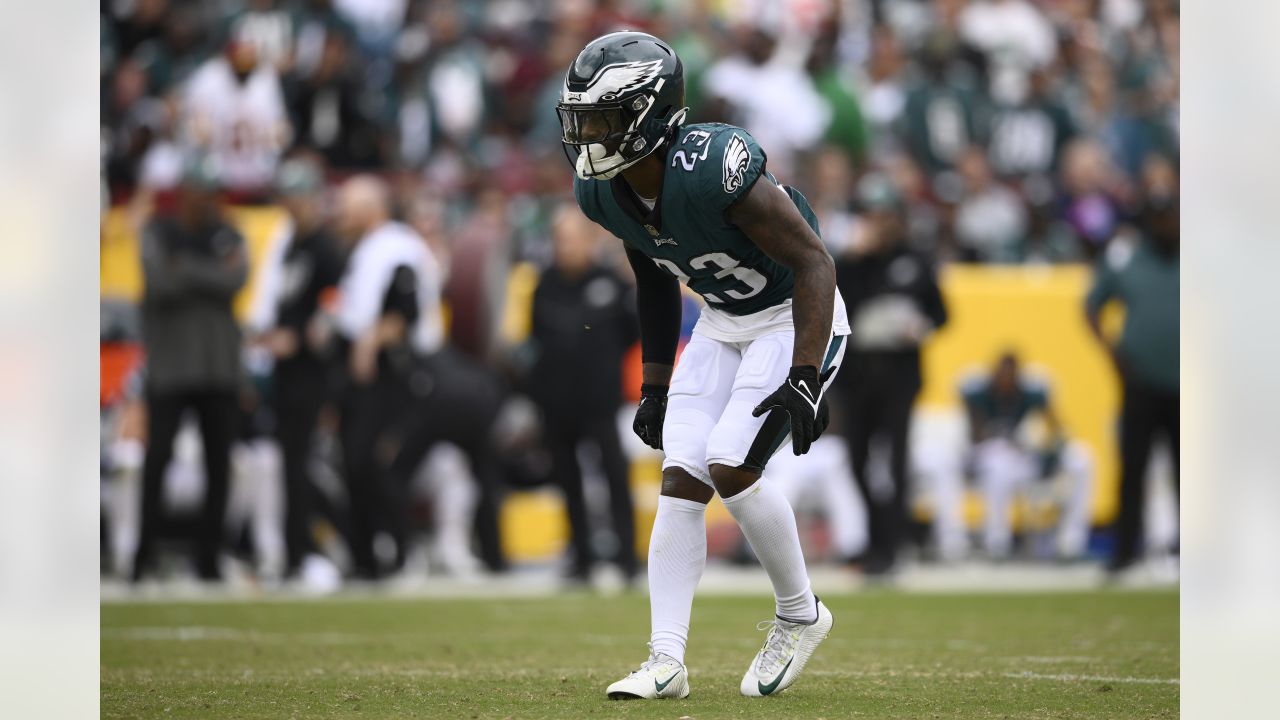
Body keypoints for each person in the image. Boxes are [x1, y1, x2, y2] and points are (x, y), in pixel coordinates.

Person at [557, 31, 852, 700]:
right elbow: (655, 276)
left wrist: (805, 374)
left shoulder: (714, 164)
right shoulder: (601, 193)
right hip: (724, 322)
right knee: (682, 473)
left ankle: (800, 613)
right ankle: (667, 661)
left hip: (792, 315)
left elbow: (815, 262)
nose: (587, 135)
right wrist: (656, 386)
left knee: (729, 462)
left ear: (648, 116)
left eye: (602, 119)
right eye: (583, 119)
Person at [132, 160, 248, 581]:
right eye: (202, 191)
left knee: (219, 466)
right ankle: (143, 555)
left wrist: (188, 270)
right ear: (184, 192)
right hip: (171, 366)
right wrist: (209, 275)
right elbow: (159, 281)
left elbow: (236, 279)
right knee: (156, 461)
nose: (209, 200)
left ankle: (209, 558)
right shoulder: (159, 231)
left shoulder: (228, 231)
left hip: (219, 368)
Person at [832, 174, 947, 576]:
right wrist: (854, 260)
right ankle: (880, 533)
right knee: (857, 461)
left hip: (899, 374)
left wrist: (920, 327)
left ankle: (891, 548)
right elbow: (837, 308)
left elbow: (942, 313)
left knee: (896, 461)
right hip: (859, 374)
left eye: (883, 216)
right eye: (870, 216)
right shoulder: (850, 263)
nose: (877, 224)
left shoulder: (915, 259)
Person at [331, 175, 444, 579]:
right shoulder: (366, 247)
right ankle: (367, 558)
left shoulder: (394, 246)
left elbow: (405, 308)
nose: (339, 212)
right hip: (372, 375)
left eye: (347, 204)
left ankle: (400, 551)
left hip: (399, 373)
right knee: (356, 464)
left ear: (371, 207)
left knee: (381, 463)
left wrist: (370, 340)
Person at [247, 156, 347, 580]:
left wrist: (305, 335)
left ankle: (317, 549)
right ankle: (293, 551)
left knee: (308, 465)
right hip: (288, 373)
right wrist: (271, 336)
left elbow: (337, 302)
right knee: (289, 463)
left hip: (315, 374)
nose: (292, 206)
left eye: (298, 197)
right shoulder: (290, 245)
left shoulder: (325, 248)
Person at [529, 204, 640, 584]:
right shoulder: (544, 283)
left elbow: (633, 332)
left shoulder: (611, 282)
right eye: (560, 240)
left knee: (614, 476)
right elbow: (535, 337)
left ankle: (627, 558)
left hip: (600, 401)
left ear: (591, 242)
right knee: (567, 481)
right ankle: (581, 558)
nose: (566, 247)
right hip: (556, 402)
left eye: (574, 239)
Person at [1085, 179, 1179, 574]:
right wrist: (1112, 355)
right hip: (1140, 381)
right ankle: (1126, 550)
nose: (1169, 224)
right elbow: (1091, 307)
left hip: (1185, 382)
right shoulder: (1127, 258)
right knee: (1133, 467)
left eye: (1172, 216)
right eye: (1161, 217)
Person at [960, 353, 1093, 560]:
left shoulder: (1031, 395)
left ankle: (1071, 543)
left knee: (1082, 458)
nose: (1006, 380)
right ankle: (997, 543)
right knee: (998, 463)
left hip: (1025, 460)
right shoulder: (979, 394)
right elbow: (975, 435)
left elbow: (1056, 428)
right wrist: (1004, 438)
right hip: (990, 460)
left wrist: (1048, 445)